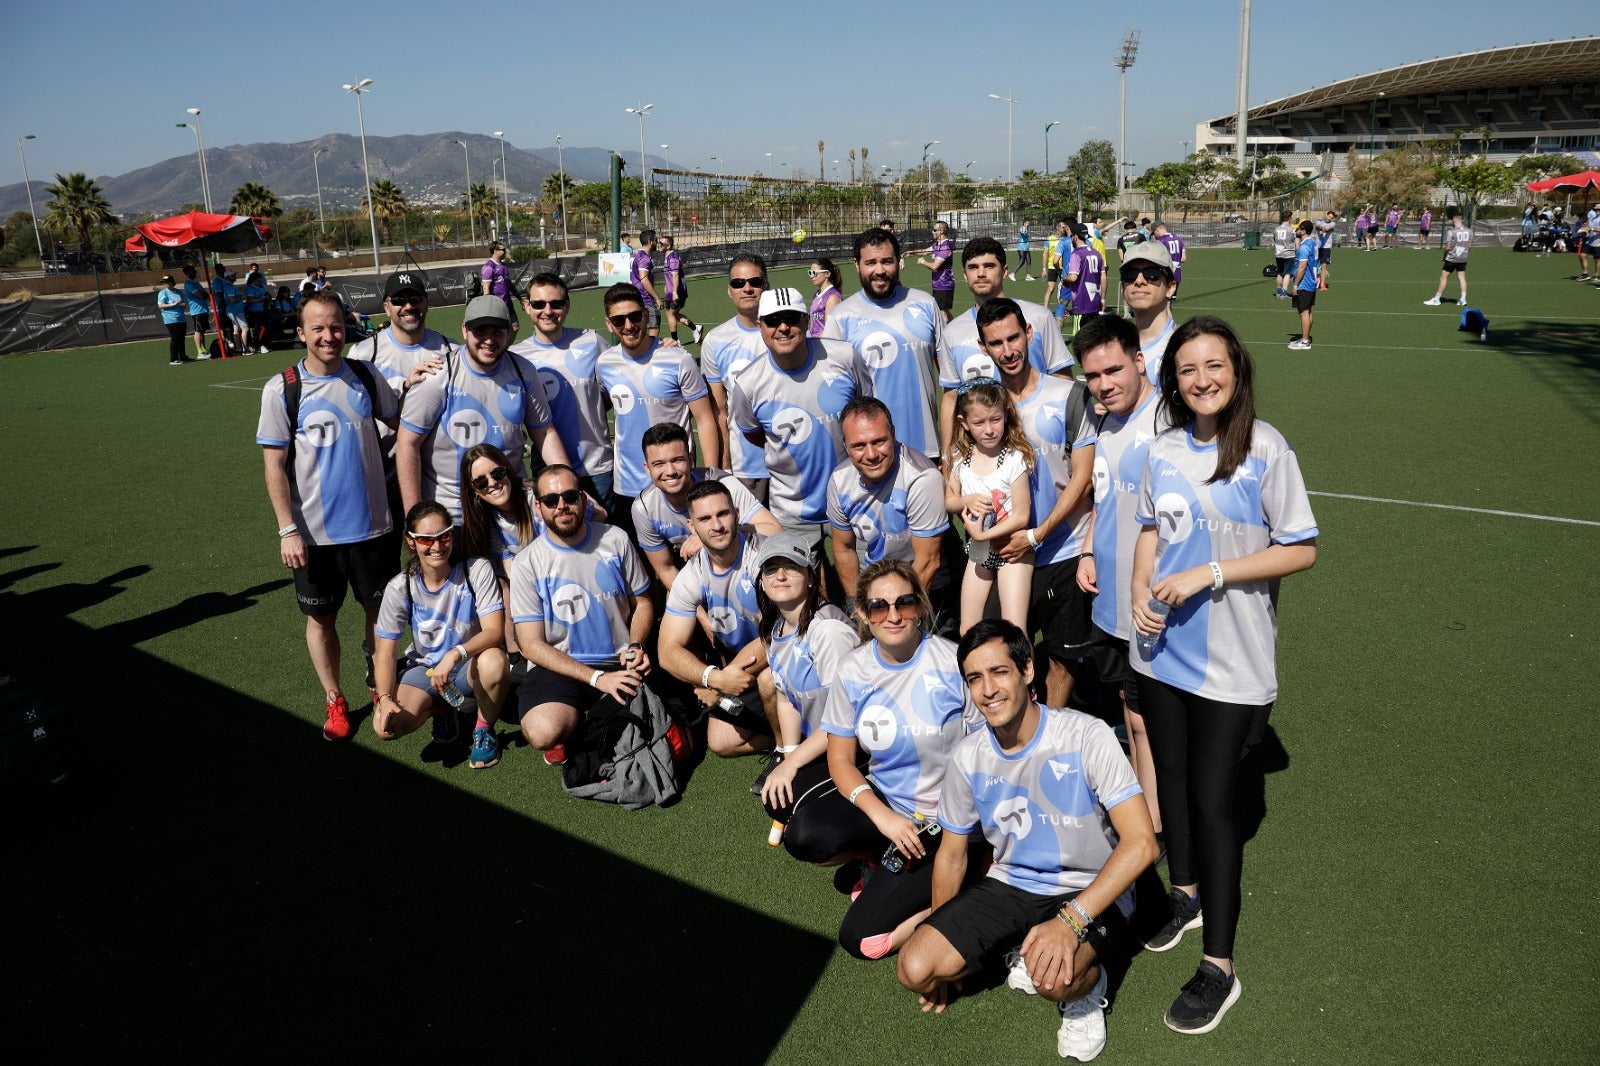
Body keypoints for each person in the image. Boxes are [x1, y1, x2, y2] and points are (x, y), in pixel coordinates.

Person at [1130, 315, 1318, 1035]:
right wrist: (1143, 591)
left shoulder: (1265, 449)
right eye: (1187, 369)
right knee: (1172, 781)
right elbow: (1150, 528)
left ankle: (1220, 968)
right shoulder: (1161, 450)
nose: (1201, 379)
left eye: (1214, 366)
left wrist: (1212, 573)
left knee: (1213, 803)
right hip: (1163, 650)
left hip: (1233, 660)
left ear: (1236, 371)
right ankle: (1185, 893)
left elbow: (1299, 549)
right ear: (1172, 381)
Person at [895, 618, 1158, 1061]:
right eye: (974, 678)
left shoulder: (1085, 735)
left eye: (999, 672)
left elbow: (1142, 844)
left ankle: (1085, 995)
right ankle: (1025, 941)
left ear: (1028, 671)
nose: (988, 689)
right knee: (915, 968)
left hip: (1091, 886)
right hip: (1013, 882)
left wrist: (1071, 920)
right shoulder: (967, 756)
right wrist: (947, 929)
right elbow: (953, 855)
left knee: (1054, 981)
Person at [789, 560, 982, 961]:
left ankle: (970, 883)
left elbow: (990, 758)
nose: (893, 616)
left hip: (945, 823)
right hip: (888, 805)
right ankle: (879, 856)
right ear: (862, 613)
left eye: (904, 604)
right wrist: (884, 819)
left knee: (862, 941)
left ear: (920, 607)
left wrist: (948, 830)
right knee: (803, 835)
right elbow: (841, 760)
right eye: (879, 606)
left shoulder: (953, 663)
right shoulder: (853, 668)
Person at [256, 290, 402, 742]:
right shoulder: (283, 389)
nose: (328, 336)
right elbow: (274, 467)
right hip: (315, 536)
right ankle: (334, 696)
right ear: (301, 333)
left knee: (380, 611)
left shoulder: (364, 374)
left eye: (335, 326)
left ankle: (380, 686)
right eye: (317, 328)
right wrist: (287, 530)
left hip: (375, 527)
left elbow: (403, 427)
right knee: (321, 619)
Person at [976, 299, 1095, 708]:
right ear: (982, 346)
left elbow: (1083, 477)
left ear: (1029, 333)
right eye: (996, 343)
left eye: (1013, 338)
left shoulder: (1070, 395)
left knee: (1062, 657)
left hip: (1062, 547)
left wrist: (1038, 532)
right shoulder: (980, 407)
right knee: (995, 646)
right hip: (1002, 552)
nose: (1008, 351)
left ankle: (1052, 730)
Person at [1074, 314, 1165, 849]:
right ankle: (1146, 815)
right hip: (1107, 598)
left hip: (1148, 603)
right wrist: (1088, 549)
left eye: (1113, 370)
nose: (1104, 384)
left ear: (1139, 360)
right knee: (1132, 717)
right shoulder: (1104, 419)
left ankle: (1153, 827)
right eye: (1093, 375)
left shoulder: (1167, 420)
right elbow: (1102, 498)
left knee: (1149, 722)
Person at [508, 464, 656, 765]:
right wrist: (597, 679)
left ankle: (593, 717)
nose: (561, 505)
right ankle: (576, 718)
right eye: (551, 500)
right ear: (538, 508)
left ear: (584, 499)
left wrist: (637, 645)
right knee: (542, 732)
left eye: (570, 496)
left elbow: (643, 602)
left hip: (620, 659)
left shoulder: (615, 539)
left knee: (653, 723)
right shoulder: (526, 563)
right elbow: (531, 645)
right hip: (561, 666)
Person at [395, 295, 567, 521]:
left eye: (497, 332)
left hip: (509, 507)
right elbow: (407, 444)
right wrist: (415, 516)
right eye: (480, 331)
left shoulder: (524, 371)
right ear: (465, 331)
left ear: (509, 332)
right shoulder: (437, 377)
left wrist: (567, 486)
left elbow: (545, 433)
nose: (489, 340)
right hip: (454, 514)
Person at [729, 287, 872, 548]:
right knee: (797, 587)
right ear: (760, 326)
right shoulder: (748, 384)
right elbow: (754, 434)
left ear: (806, 321)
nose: (783, 327)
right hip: (791, 511)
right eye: (773, 321)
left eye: (791, 318)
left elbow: (867, 412)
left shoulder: (845, 357)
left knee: (867, 582)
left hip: (854, 498)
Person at [370, 501, 510, 769]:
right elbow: (385, 654)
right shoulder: (400, 587)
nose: (437, 546)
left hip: (469, 665)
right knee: (385, 727)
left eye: (444, 536)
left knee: (496, 662)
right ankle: (442, 708)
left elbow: (494, 632)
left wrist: (454, 654)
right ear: (411, 542)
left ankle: (483, 728)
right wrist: (385, 698)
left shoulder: (476, 570)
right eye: (426, 539)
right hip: (425, 670)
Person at [655, 480, 780, 764]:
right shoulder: (693, 573)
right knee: (721, 741)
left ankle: (789, 750)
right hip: (741, 666)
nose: (717, 525)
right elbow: (667, 651)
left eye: (722, 514)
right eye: (705, 518)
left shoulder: (764, 557)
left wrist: (721, 683)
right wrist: (714, 676)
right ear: (692, 527)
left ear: (736, 513)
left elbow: (776, 634)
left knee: (768, 678)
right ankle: (796, 734)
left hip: (792, 658)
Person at [754, 533, 861, 823]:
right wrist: (789, 755)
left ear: (811, 578)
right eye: (771, 569)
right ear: (762, 582)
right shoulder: (775, 628)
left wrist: (794, 765)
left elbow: (846, 717)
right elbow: (786, 697)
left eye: (791, 566)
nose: (781, 575)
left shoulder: (827, 631)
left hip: (857, 748)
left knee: (799, 822)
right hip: (824, 740)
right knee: (778, 799)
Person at [597, 283, 718, 533]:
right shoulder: (604, 364)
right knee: (640, 566)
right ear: (609, 324)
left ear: (645, 315)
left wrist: (711, 478)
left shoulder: (678, 359)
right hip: (628, 486)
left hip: (678, 481)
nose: (629, 325)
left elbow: (705, 420)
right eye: (619, 320)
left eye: (635, 316)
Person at [937, 235, 1074, 449]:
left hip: (1039, 441)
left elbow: (1062, 379)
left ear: (1005, 271)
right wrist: (946, 453)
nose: (981, 273)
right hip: (983, 451)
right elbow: (951, 397)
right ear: (964, 275)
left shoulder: (1038, 317)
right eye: (973, 267)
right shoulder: (952, 331)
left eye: (989, 266)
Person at [822, 227, 944, 462]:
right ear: (857, 264)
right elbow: (833, 394)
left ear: (898, 262)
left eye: (887, 261)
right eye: (871, 263)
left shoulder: (926, 304)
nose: (879, 271)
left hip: (928, 450)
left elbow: (950, 382)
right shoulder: (840, 317)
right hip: (872, 456)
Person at [827, 397, 950, 620]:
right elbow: (844, 549)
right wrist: (858, 608)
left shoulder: (922, 479)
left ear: (893, 434)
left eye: (879, 441)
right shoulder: (839, 481)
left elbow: (928, 562)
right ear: (845, 444)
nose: (872, 454)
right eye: (859, 446)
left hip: (929, 585)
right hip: (879, 578)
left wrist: (899, 614)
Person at [510, 271, 615, 514]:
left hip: (597, 467)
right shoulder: (516, 357)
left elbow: (619, 380)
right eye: (539, 304)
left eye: (556, 304)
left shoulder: (592, 341)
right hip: (549, 470)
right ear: (527, 307)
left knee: (604, 533)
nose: (548, 311)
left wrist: (660, 344)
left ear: (567, 306)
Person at [632, 421, 778, 592]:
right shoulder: (644, 508)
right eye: (659, 464)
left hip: (740, 567)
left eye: (677, 460)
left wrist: (711, 536)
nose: (670, 470)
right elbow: (666, 569)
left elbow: (774, 530)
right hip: (692, 573)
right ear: (647, 468)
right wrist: (699, 614)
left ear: (691, 459)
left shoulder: (724, 486)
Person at [945, 378, 1035, 633]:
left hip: (1012, 550)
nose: (989, 429)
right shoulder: (959, 456)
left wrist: (981, 534)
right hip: (980, 550)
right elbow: (949, 501)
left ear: (1006, 415)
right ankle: (971, 673)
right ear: (964, 423)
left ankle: (1024, 672)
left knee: (1014, 628)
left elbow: (1021, 515)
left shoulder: (1014, 459)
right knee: (967, 629)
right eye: (979, 422)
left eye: (995, 419)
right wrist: (965, 500)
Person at [700, 254, 773, 502]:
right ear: (729, 291)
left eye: (755, 281)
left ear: (767, 285)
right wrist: (725, 465)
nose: (747, 288)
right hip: (748, 465)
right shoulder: (716, 340)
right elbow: (719, 411)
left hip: (794, 463)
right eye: (738, 283)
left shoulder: (787, 331)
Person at [1119, 241, 1177, 387]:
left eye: (1152, 274)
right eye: (1130, 275)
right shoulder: (1115, 346)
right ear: (1123, 289)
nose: (1139, 281)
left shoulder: (1183, 347)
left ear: (1170, 288)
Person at [1062, 223, 1108, 335]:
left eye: (1072, 236)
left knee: (1079, 338)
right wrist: (1102, 299)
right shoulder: (1097, 253)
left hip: (1081, 304)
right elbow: (1103, 277)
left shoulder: (1076, 254)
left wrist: (1064, 279)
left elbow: (1073, 277)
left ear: (1076, 237)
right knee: (1094, 337)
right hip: (1095, 302)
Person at [658, 235, 702, 344]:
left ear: (668, 246)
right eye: (659, 243)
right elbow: (670, 275)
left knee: (670, 314)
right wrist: (666, 286)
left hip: (677, 292)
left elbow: (675, 276)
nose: (659, 245)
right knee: (675, 314)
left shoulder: (672, 257)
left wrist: (674, 292)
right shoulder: (668, 256)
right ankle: (695, 328)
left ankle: (675, 340)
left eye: (661, 244)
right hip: (672, 290)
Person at [1425, 209, 1471, 305]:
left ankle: (1437, 299)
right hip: (1463, 257)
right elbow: (1469, 246)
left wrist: (1444, 256)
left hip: (1452, 258)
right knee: (1462, 277)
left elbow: (1448, 247)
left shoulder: (1451, 232)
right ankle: (1463, 299)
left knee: (1443, 277)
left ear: (1455, 221)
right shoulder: (1469, 231)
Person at [916, 220, 956, 321]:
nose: (932, 232)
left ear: (941, 231)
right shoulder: (936, 245)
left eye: (934, 230)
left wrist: (923, 262)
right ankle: (955, 328)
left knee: (942, 313)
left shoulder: (945, 247)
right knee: (944, 311)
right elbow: (924, 251)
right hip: (938, 284)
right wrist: (907, 252)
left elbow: (935, 266)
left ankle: (945, 334)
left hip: (944, 284)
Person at [1289, 219, 1319, 351]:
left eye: (1298, 229)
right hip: (1311, 282)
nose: (1297, 231)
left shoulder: (1305, 247)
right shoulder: (1312, 243)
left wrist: (1295, 285)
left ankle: (1305, 341)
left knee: (1303, 312)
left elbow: (1302, 267)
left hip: (1304, 284)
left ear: (1303, 230)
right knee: (1308, 311)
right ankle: (1305, 337)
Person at [630, 227, 664, 337]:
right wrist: (657, 298)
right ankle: (649, 353)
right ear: (650, 242)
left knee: (642, 329)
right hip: (645, 298)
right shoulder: (644, 258)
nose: (657, 243)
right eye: (655, 240)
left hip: (638, 297)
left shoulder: (637, 255)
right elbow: (644, 279)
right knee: (654, 328)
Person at [481, 241, 518, 333]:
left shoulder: (504, 266)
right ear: (495, 251)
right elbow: (486, 289)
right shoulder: (489, 267)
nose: (505, 251)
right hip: (497, 304)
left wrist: (520, 299)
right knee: (499, 331)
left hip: (508, 303)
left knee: (515, 328)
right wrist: (489, 306)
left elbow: (509, 285)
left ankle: (505, 346)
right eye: (503, 250)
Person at [181, 264, 212, 359]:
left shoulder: (196, 283)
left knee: (202, 331)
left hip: (203, 309)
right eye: (192, 271)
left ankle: (204, 349)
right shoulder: (189, 284)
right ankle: (199, 352)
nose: (194, 272)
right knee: (198, 330)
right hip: (197, 311)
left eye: (194, 270)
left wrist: (204, 294)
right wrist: (203, 294)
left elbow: (205, 293)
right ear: (187, 273)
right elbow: (201, 295)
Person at [807, 258, 843, 337]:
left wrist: (815, 344)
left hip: (824, 344)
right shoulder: (816, 294)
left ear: (827, 273)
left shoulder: (832, 297)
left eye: (814, 273)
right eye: (810, 273)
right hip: (814, 339)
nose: (811, 276)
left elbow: (829, 330)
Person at [157, 275, 189, 366]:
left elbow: (183, 304)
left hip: (181, 318)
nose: (165, 284)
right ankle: (173, 359)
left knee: (181, 338)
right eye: (164, 282)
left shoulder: (178, 292)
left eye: (167, 282)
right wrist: (172, 304)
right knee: (175, 339)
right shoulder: (163, 293)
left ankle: (182, 356)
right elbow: (160, 306)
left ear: (171, 282)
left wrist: (182, 305)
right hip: (170, 319)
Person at [1041, 219, 1070, 310]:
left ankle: (1061, 309)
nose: (1064, 228)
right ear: (1057, 227)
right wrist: (1044, 269)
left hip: (1063, 268)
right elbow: (1045, 254)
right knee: (1051, 288)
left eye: (1065, 226)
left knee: (1064, 289)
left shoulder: (1066, 239)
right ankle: (1045, 309)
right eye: (1062, 226)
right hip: (1052, 267)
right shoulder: (1049, 239)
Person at [1152, 222, 1186, 292]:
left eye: (1154, 233)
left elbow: (1157, 259)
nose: (1154, 235)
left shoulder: (1159, 241)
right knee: (1172, 297)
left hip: (1165, 273)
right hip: (1177, 272)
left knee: (1163, 298)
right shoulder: (1179, 239)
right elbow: (1184, 258)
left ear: (1157, 230)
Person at [1271, 210, 1296, 299]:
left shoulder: (1276, 229)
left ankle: (1278, 291)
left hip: (1279, 253)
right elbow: (1295, 240)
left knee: (1280, 272)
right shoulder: (1292, 229)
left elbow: (1274, 240)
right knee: (1288, 273)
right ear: (1289, 218)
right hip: (1289, 253)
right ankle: (1284, 292)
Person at [243, 268, 270, 353]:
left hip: (262, 311)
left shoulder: (261, 287)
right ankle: (254, 346)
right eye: (258, 281)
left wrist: (267, 297)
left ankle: (262, 345)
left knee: (264, 328)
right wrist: (262, 298)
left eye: (260, 281)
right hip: (253, 312)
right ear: (253, 280)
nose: (260, 283)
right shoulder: (249, 288)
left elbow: (266, 294)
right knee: (255, 330)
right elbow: (251, 300)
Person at [1314, 210, 1337, 288]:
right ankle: (1314, 280)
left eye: (1331, 218)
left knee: (1324, 266)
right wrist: (1322, 228)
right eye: (1329, 216)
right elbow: (1318, 225)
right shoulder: (1318, 221)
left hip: (1326, 248)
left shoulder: (1333, 223)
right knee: (1313, 265)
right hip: (1317, 247)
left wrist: (1324, 229)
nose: (1329, 218)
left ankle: (1322, 284)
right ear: (1326, 215)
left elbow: (1328, 228)